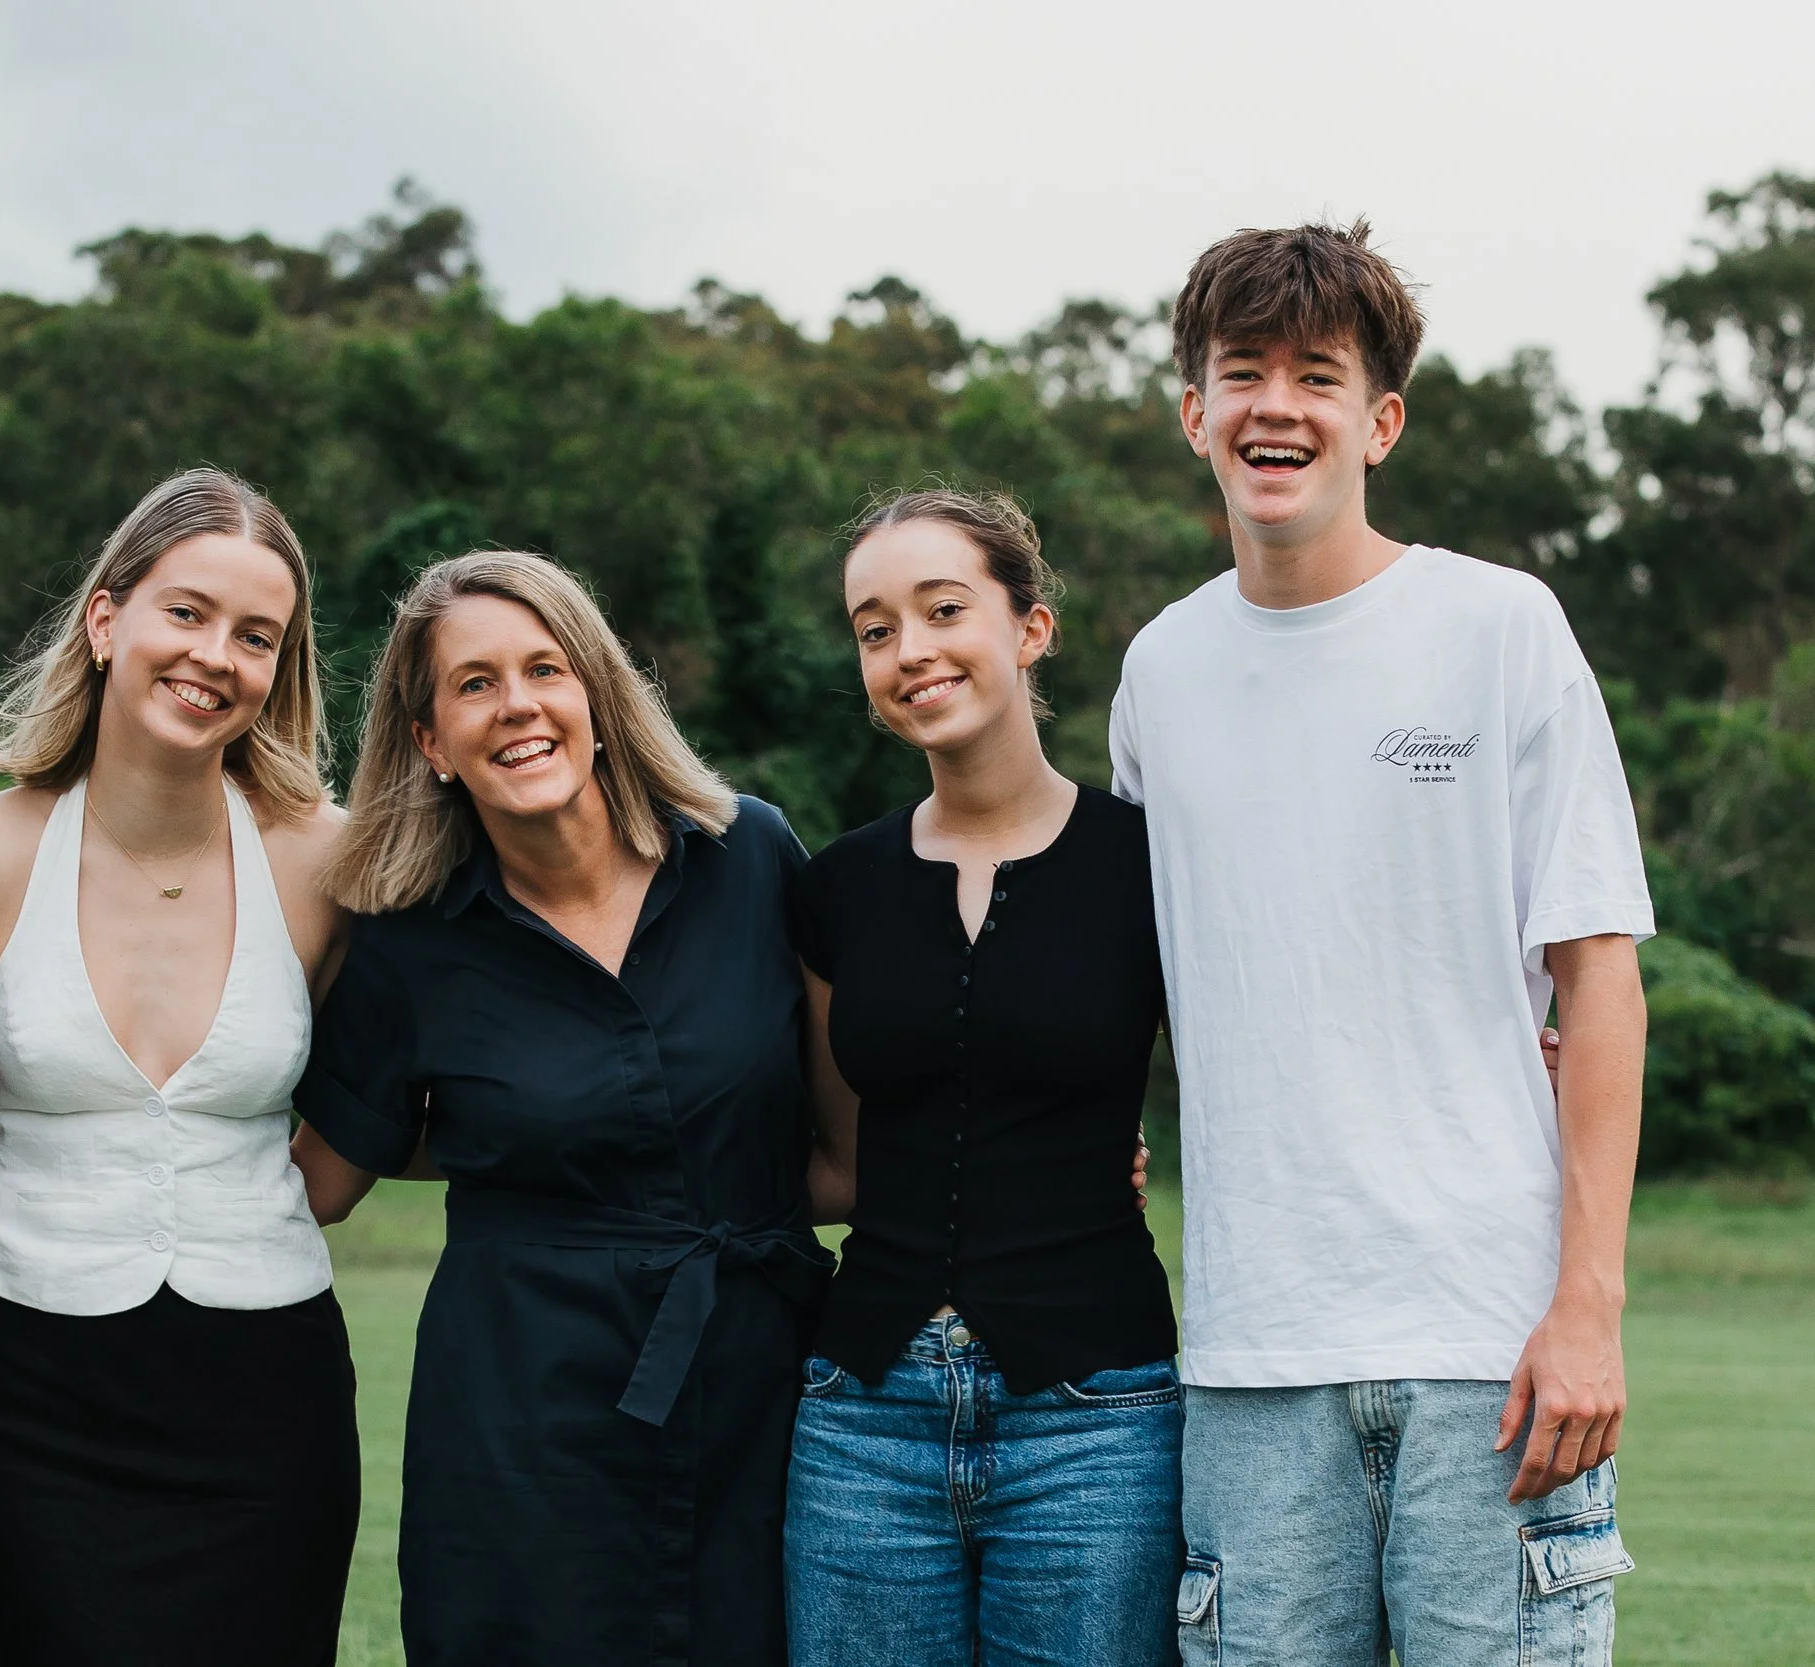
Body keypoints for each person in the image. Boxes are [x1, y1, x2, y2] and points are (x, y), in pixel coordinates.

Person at [1110, 222, 1653, 1663]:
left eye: (1317, 374)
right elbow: (1136, 982)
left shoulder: (1500, 626)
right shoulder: (1158, 671)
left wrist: (1586, 1306)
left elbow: (1600, 979)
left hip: (1496, 1348)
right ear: (1194, 414)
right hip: (1250, 1361)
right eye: (1241, 373)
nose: (1274, 404)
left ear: (1380, 420)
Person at [289, 551, 831, 1667]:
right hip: (517, 1426)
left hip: (763, 1393)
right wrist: (71, 1192)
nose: (518, 703)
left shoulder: (753, 857)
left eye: (545, 668)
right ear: (432, 741)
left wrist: (1056, 1149)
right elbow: (321, 1179)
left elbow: (856, 1133)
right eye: (474, 683)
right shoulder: (407, 936)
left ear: (597, 694)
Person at [0, 467, 359, 1666]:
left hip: (269, 1396)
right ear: (107, 619)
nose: (215, 654)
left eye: (255, 635)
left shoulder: (330, 860)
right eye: (188, 611)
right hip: (26, 1395)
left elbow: (387, 1095)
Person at [782, 488, 1183, 1665]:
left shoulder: (1149, 865)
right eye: (873, 627)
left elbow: (1277, 1061)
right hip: (861, 1421)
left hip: (1095, 1421)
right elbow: (840, 1161)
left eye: (942, 608)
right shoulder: (835, 887)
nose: (910, 649)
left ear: (1030, 627)